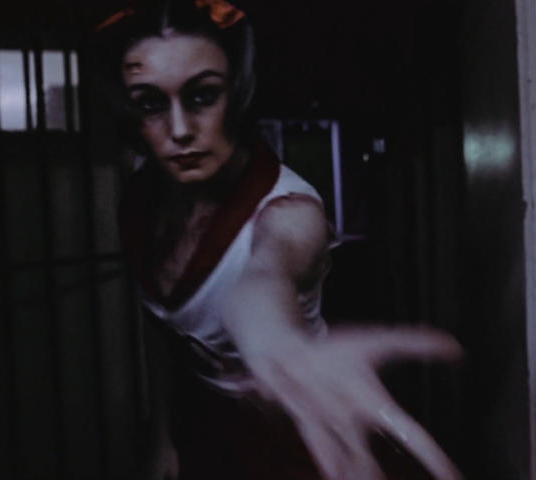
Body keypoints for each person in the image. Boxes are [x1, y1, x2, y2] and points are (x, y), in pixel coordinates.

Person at [94, 1, 463, 478]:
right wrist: (163, 437)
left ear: (237, 94)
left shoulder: (291, 210)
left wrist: (280, 346)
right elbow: (164, 333)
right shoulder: (140, 199)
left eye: (203, 95)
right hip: (204, 426)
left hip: (298, 433)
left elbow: (264, 279)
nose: (180, 130)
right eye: (150, 103)